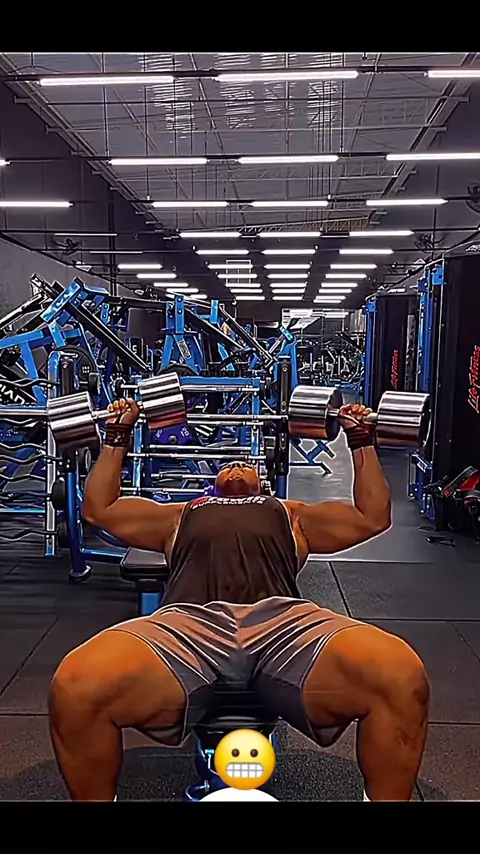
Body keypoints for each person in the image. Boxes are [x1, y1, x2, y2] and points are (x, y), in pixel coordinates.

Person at [49, 399, 429, 802]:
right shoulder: (179, 514)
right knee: (76, 685)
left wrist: (360, 438)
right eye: (226, 465)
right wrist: (118, 433)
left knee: (399, 676)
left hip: (286, 625)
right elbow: (99, 509)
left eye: (245, 464)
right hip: (186, 626)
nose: (234, 465)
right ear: (211, 485)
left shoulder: (292, 514)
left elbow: (373, 516)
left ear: (263, 483)